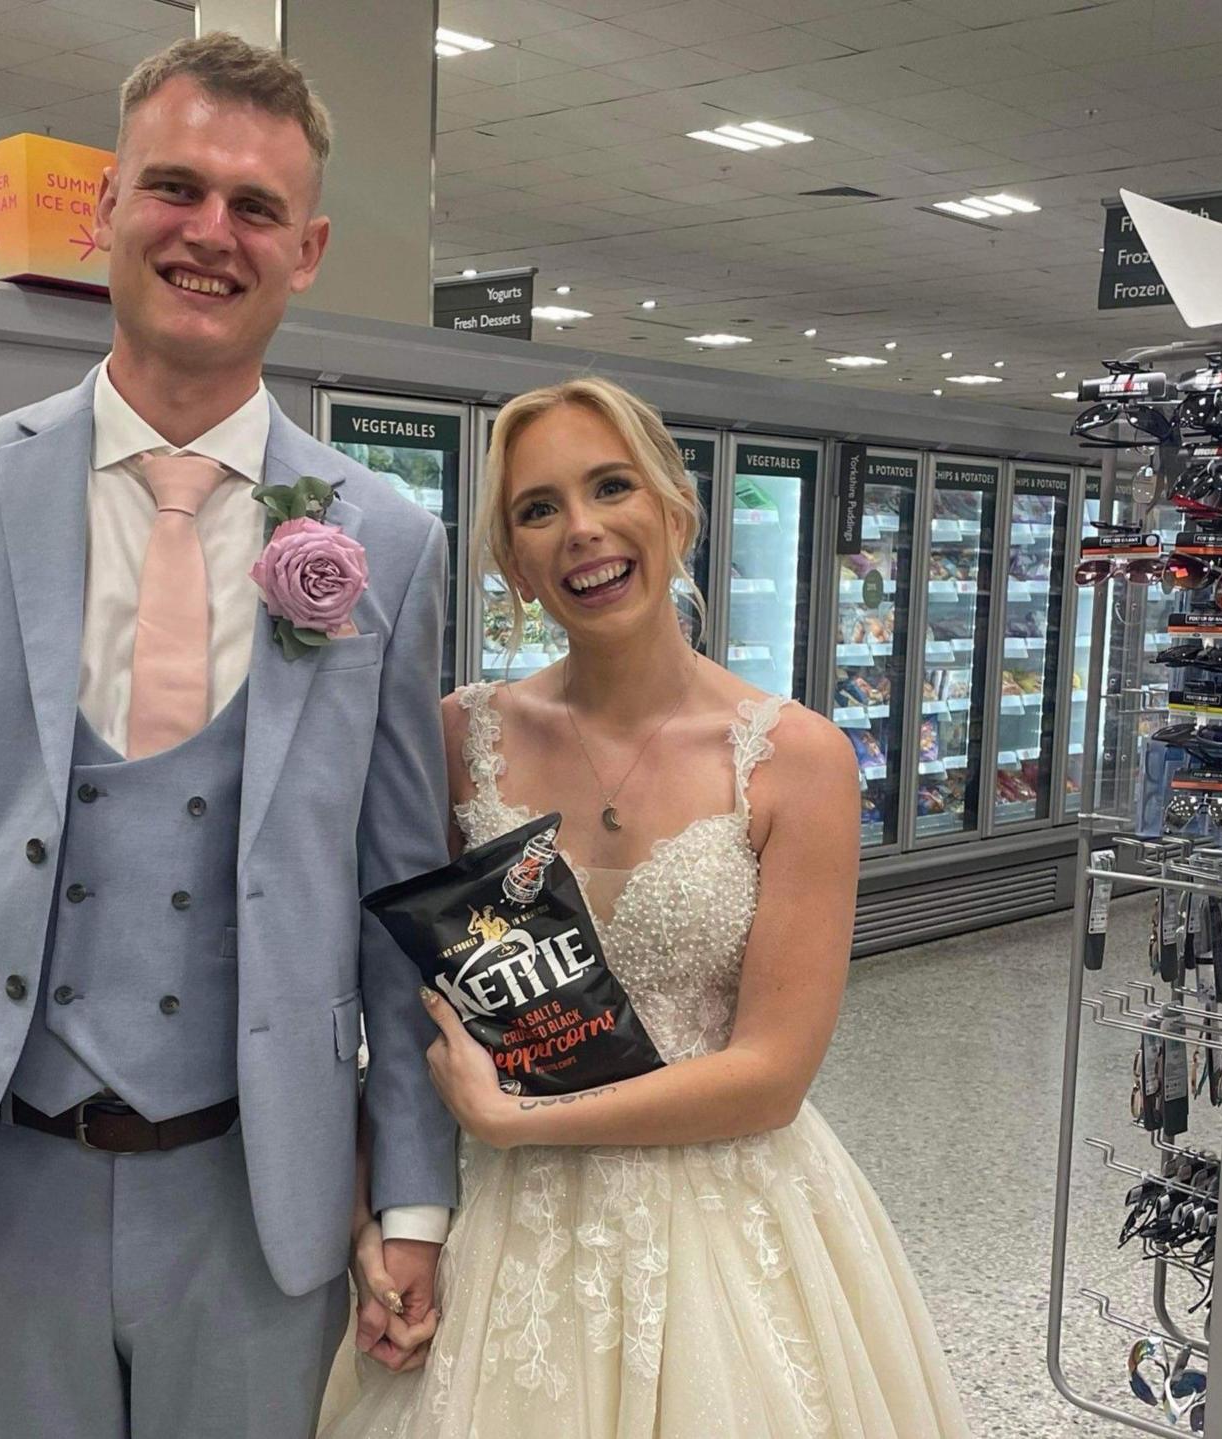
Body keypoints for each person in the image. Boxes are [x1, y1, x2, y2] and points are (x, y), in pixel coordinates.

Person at [0, 33, 458, 1439]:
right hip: (7, 1171)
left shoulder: (384, 540)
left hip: (261, 1186)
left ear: (308, 249)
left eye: (256, 208)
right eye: (176, 188)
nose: (209, 233)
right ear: (108, 205)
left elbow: (399, 896)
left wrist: (413, 1191)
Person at [322, 378, 974, 1438]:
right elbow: (402, 1007)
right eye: (539, 509)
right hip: (500, 1226)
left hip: (722, 1221)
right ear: (517, 567)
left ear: (674, 510)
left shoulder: (795, 759)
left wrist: (520, 1116)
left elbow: (771, 1072)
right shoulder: (459, 737)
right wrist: (378, 1211)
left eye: (609, 486)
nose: (581, 529)